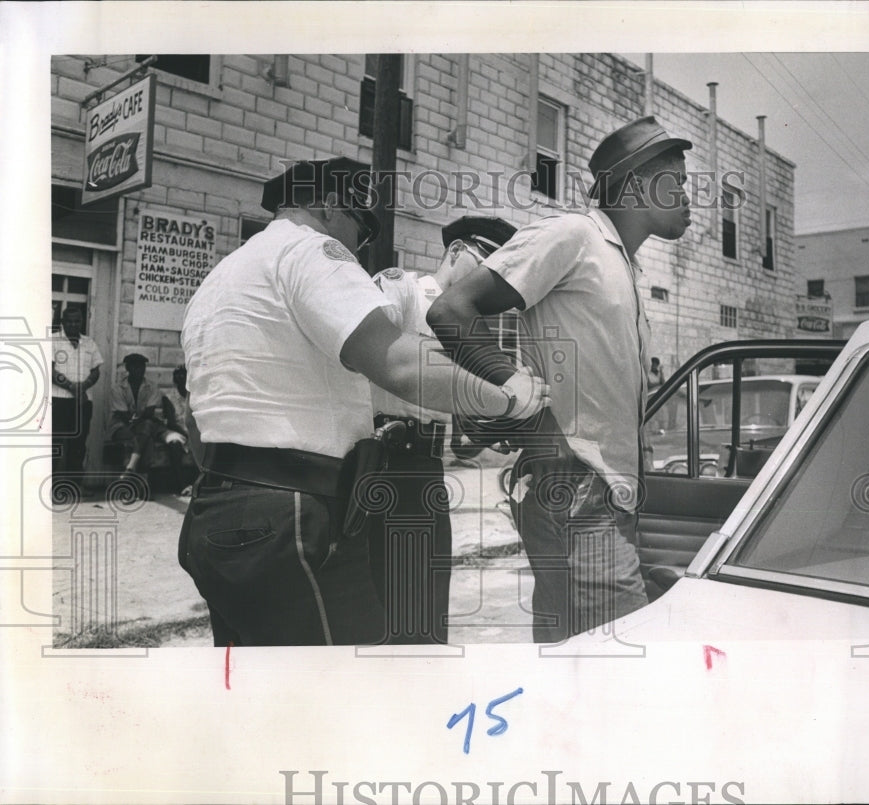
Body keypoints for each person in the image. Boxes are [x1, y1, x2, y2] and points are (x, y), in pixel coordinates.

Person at [178, 158, 548, 647]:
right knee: (361, 690)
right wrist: (507, 399)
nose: (359, 246)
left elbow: (194, 418)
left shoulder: (221, 277)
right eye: (361, 227)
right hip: (290, 514)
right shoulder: (312, 252)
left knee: (260, 696)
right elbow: (397, 365)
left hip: (215, 511)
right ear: (330, 207)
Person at [428, 116, 692, 642]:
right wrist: (528, 408)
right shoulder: (573, 234)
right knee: (622, 661)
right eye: (678, 181)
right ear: (639, 185)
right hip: (576, 489)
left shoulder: (622, 264)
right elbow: (453, 310)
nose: (688, 195)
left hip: (604, 494)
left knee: (570, 658)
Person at [368, 215, 517, 644]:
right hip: (380, 464)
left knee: (427, 615)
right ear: (455, 252)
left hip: (428, 473)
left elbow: (466, 437)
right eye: (484, 262)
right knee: (380, 614)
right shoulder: (402, 289)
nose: (491, 279)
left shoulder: (472, 328)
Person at [51, 307, 102, 477]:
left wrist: (84, 386)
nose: (73, 324)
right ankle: (49, 487)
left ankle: (75, 485)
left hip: (82, 402)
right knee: (54, 444)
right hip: (58, 401)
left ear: (82, 322)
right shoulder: (53, 341)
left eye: (77, 321)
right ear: (63, 322)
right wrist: (72, 387)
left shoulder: (89, 343)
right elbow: (50, 371)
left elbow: (96, 370)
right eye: (69, 321)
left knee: (79, 444)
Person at [107, 353, 163, 478]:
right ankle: (142, 482)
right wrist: (138, 419)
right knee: (145, 437)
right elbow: (123, 415)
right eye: (135, 366)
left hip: (143, 425)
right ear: (128, 368)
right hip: (121, 427)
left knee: (146, 430)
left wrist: (138, 420)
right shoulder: (118, 389)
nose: (140, 370)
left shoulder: (152, 387)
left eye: (142, 366)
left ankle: (130, 471)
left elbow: (150, 412)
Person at [160, 365, 197, 496]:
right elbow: (171, 422)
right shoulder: (168, 397)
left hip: (191, 430)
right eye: (177, 375)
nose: (180, 378)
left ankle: (197, 485)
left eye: (184, 375)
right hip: (175, 430)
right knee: (175, 444)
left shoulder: (193, 396)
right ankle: (181, 484)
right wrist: (186, 433)